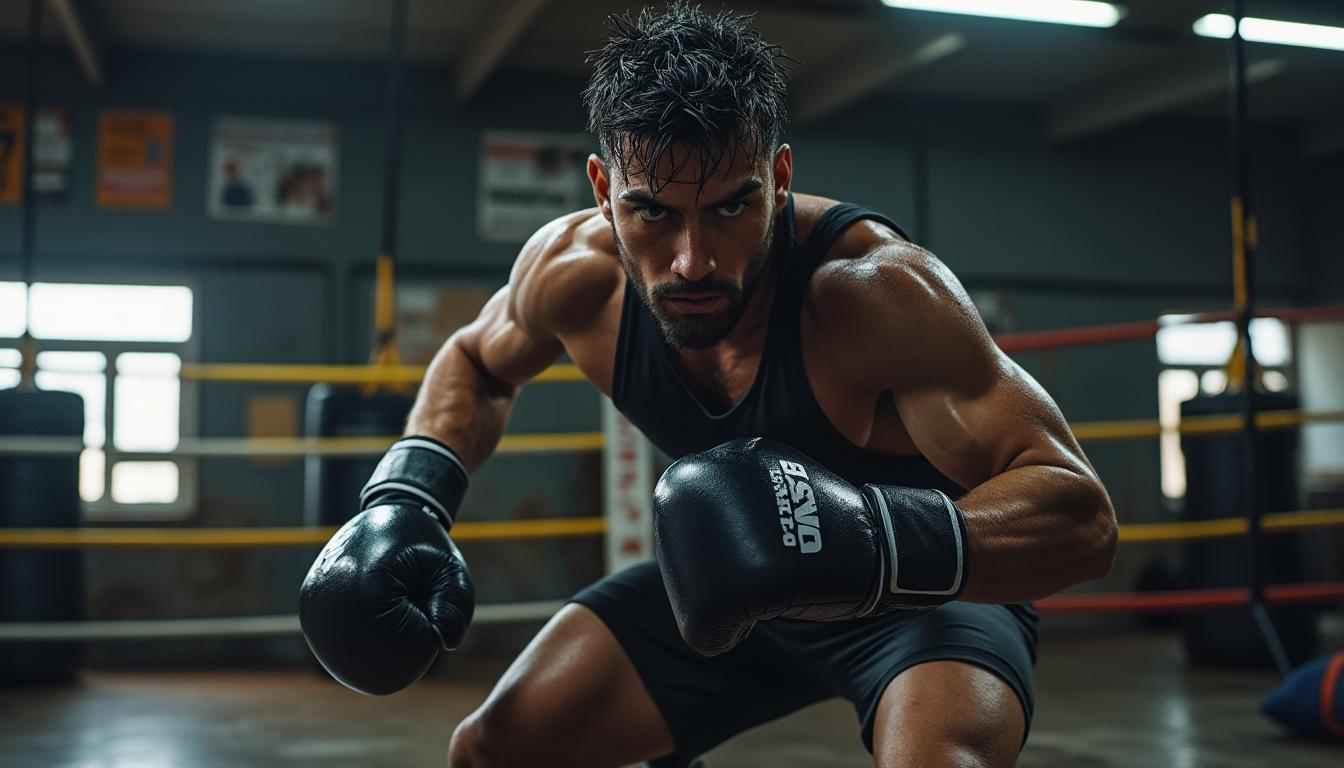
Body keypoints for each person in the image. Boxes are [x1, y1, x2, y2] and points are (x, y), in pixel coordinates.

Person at [299, 4, 1118, 766]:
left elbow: (1081, 515)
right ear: (602, 191)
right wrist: (410, 496)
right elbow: (476, 362)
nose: (692, 260)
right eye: (653, 213)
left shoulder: (874, 292)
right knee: (490, 752)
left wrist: (867, 541)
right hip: (720, 593)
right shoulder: (574, 276)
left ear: (779, 176)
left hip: (919, 603)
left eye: (730, 208)